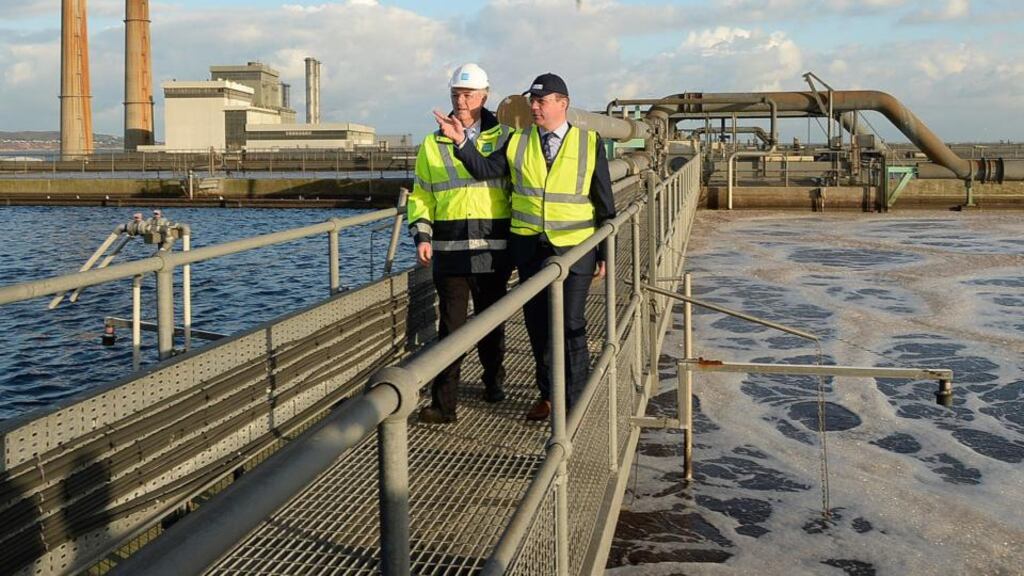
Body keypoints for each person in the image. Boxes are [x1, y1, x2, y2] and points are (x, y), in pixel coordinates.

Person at [434, 72, 614, 421]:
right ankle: (548, 395)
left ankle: (573, 401)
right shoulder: (517, 141)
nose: (533, 107)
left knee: (571, 324)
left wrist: (605, 251)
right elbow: (485, 170)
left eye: (541, 101)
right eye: (532, 100)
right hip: (531, 248)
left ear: (562, 104)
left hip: (575, 248)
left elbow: (604, 201)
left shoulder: (588, 143)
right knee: (537, 324)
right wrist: (461, 143)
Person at [407, 63, 513, 424]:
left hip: (491, 249)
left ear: (485, 96)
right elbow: (421, 195)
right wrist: (422, 234)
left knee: (490, 324)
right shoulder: (431, 143)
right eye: (456, 94)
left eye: (468, 94)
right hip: (450, 251)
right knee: (450, 330)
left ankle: (493, 380)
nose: (462, 100)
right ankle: (443, 404)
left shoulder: (504, 138)